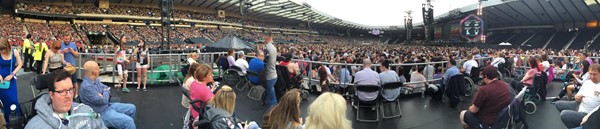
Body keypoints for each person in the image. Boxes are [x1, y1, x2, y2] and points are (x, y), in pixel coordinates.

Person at [25, 70, 106, 129]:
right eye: (62, 91)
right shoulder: (35, 126)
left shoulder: (85, 111)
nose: (69, 96)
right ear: (51, 95)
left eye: (71, 89)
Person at [79, 61, 137, 129]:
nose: (99, 70)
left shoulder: (96, 80)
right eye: (98, 69)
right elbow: (103, 100)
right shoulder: (87, 87)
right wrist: (105, 92)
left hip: (108, 106)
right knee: (129, 121)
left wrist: (103, 93)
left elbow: (106, 88)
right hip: (101, 113)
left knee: (132, 108)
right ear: (93, 72)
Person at [555, 64, 600, 128]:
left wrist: (588, 116)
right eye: (590, 74)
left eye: (595, 74)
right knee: (558, 104)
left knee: (564, 114)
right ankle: (578, 124)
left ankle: (579, 125)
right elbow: (578, 95)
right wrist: (577, 97)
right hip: (579, 105)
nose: (592, 76)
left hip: (588, 113)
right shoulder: (587, 82)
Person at [0, 38, 23, 124]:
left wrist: (12, 74)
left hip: (11, 80)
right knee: (3, 101)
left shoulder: (15, 52)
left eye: (3, 49)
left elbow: (20, 64)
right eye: (0, 49)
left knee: (13, 100)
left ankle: (15, 121)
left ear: (8, 47)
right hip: (1, 81)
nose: (2, 51)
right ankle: (5, 121)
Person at [265, 36, 279, 107]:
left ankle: (273, 106)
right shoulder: (273, 48)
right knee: (270, 90)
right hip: (273, 74)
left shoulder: (268, 48)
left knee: (270, 90)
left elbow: (266, 60)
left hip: (270, 75)